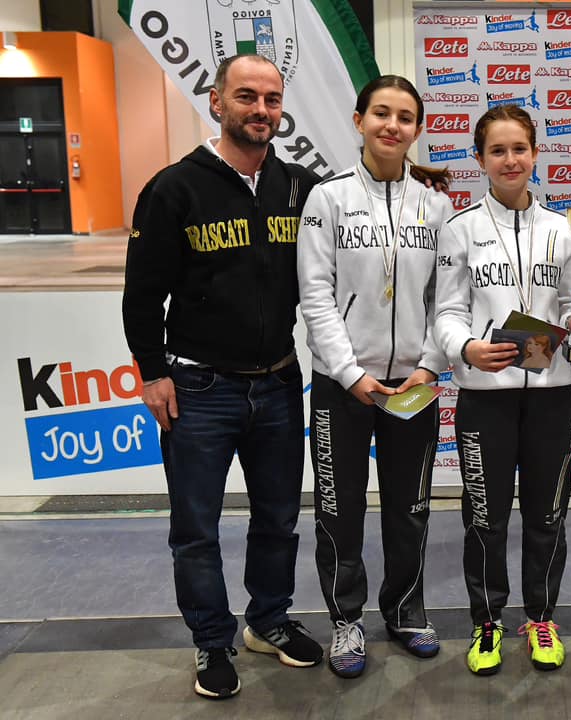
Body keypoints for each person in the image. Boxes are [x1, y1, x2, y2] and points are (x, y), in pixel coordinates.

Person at [121, 54, 323, 700]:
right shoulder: (174, 188)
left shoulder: (298, 188)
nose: (260, 110)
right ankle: (212, 642)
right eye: (246, 97)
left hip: (280, 383)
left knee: (279, 519)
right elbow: (140, 294)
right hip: (199, 388)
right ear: (217, 102)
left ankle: (267, 620)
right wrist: (152, 372)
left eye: (271, 99)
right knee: (196, 530)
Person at [296, 75, 453, 678]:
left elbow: (447, 298)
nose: (393, 126)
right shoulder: (327, 199)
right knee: (339, 510)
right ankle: (346, 620)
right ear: (359, 118)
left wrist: (429, 366)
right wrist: (349, 371)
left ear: (417, 129)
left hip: (412, 385)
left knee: (409, 506)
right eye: (381, 113)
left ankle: (406, 609)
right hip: (344, 387)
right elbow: (315, 296)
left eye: (405, 117)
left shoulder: (436, 206)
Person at [434, 105, 571, 676]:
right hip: (483, 396)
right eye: (498, 150)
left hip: (551, 393)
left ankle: (541, 617)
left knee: (548, 515)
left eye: (519, 148)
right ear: (480, 160)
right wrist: (465, 348)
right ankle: (487, 622)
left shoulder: (565, 230)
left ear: (536, 153)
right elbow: (446, 311)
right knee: (484, 518)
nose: (510, 159)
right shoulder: (460, 229)